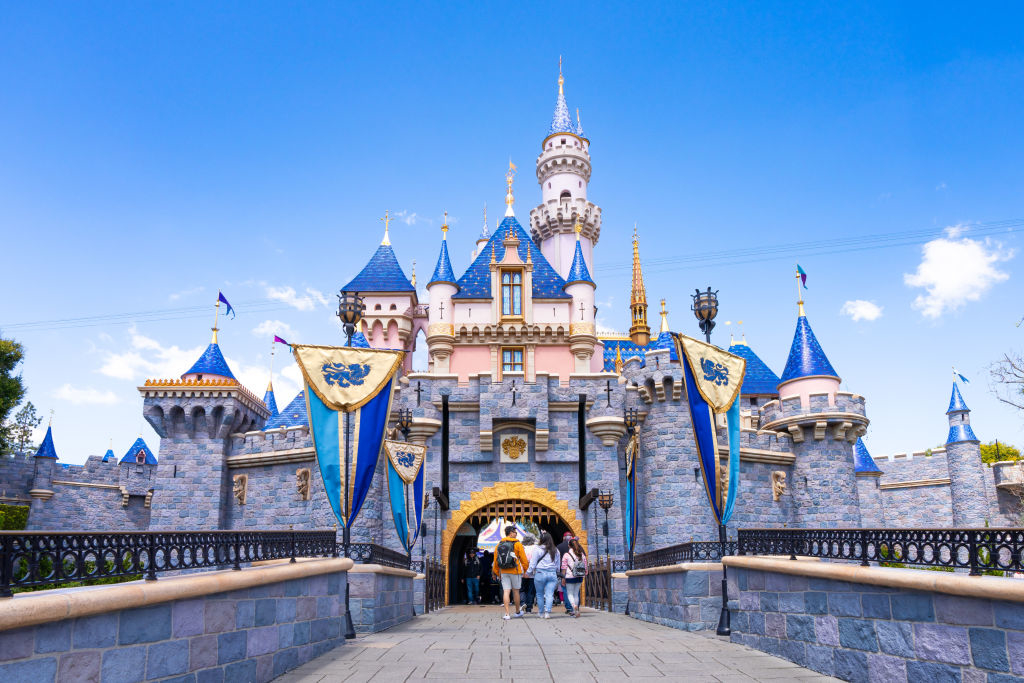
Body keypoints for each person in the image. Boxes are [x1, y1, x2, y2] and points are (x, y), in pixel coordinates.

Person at [491, 525, 530, 620]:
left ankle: (507, 614)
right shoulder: (517, 544)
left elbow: (496, 560)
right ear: (511, 533)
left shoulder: (499, 544)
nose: (516, 534)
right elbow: (524, 559)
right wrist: (526, 570)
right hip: (515, 571)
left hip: (504, 571)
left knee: (506, 591)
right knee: (516, 591)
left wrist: (496, 572)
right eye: (515, 532)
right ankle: (517, 612)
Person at [530, 531, 561, 619]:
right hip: (552, 573)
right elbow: (558, 565)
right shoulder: (556, 550)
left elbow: (533, 563)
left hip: (540, 573)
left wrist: (528, 572)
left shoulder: (537, 549)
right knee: (549, 594)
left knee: (539, 594)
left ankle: (540, 613)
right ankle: (547, 612)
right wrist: (557, 571)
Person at [560, 537, 588, 618]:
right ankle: (576, 609)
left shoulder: (566, 555)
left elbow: (564, 567)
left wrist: (563, 577)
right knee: (576, 593)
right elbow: (585, 565)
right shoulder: (581, 554)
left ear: (569, 546)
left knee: (570, 594)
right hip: (579, 576)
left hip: (570, 576)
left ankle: (573, 607)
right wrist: (585, 573)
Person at [521, 535, 542, 613]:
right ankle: (529, 608)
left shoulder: (522, 547)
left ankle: (523, 603)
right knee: (531, 590)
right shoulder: (536, 548)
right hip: (533, 572)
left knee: (522, 589)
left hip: (523, 572)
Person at [556, 532, 574, 614]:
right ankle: (576, 606)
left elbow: (557, 560)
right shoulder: (578, 546)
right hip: (576, 571)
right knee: (576, 589)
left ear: (563, 538)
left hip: (565, 571)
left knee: (566, 589)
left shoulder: (559, 547)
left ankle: (569, 607)